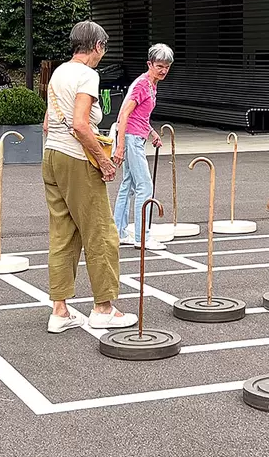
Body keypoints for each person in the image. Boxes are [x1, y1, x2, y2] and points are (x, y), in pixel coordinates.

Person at [43, 20, 137, 334]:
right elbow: (81, 125)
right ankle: (104, 308)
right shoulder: (87, 74)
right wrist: (104, 161)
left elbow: (48, 123)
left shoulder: (58, 73)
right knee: (100, 231)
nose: (102, 54)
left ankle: (60, 310)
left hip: (51, 156)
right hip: (76, 158)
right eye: (103, 48)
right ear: (96, 46)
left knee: (63, 232)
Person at [113, 44, 173, 251]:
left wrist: (152, 132)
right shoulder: (141, 84)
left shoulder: (151, 84)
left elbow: (140, 116)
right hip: (131, 139)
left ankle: (118, 232)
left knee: (128, 185)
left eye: (167, 66)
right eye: (159, 66)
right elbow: (124, 115)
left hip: (136, 136)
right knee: (144, 186)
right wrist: (120, 146)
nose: (163, 70)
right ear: (149, 64)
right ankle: (142, 236)